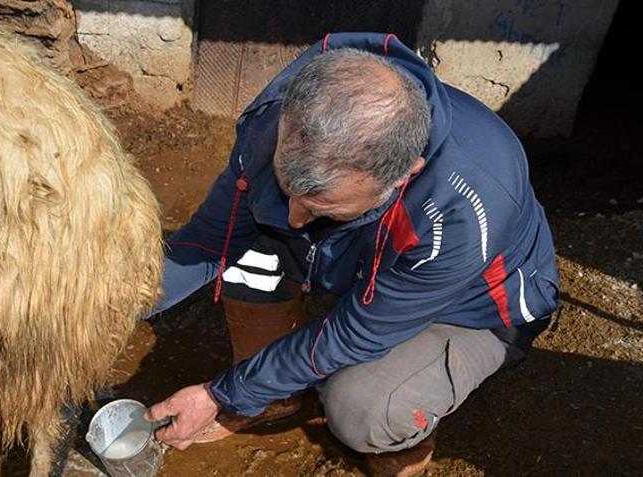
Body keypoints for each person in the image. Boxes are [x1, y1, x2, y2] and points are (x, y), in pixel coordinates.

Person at [144, 32, 559, 476]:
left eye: (323, 208)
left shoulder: (465, 208)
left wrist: (221, 395)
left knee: (361, 406)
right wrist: (110, 305)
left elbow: (355, 332)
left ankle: (403, 443)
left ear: (404, 175)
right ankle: (275, 394)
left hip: (472, 310)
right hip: (366, 262)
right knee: (254, 244)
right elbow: (210, 240)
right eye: (289, 191)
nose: (295, 219)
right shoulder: (290, 118)